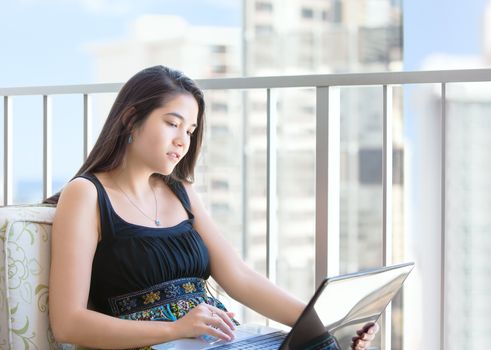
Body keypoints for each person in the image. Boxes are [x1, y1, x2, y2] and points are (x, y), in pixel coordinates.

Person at [46, 65, 378, 350]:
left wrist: (325, 325)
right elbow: (67, 322)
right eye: (172, 123)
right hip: (150, 344)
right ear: (132, 119)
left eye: (189, 130)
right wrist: (175, 329)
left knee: (319, 344)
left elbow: (241, 279)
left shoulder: (181, 192)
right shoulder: (86, 194)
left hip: (214, 341)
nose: (182, 140)